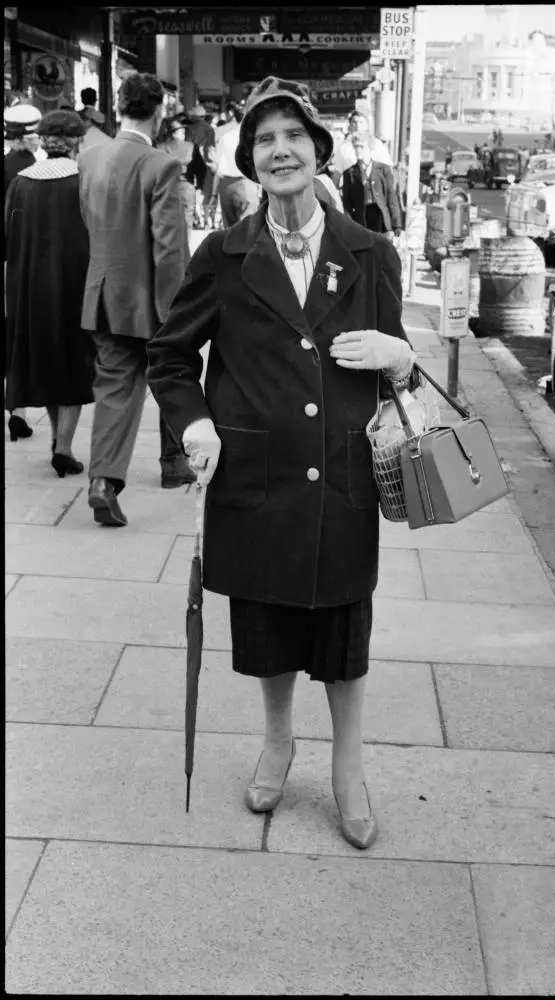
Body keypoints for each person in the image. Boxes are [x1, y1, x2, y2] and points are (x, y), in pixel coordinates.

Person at [146, 75, 418, 851]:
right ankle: (276, 742)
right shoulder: (224, 256)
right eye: (263, 141)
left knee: (342, 631)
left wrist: (398, 356)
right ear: (248, 162)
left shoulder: (369, 253)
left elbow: (405, 370)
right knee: (263, 626)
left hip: (341, 478)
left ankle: (348, 767)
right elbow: (169, 357)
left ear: (319, 150)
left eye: (293, 136)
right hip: (256, 480)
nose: (280, 151)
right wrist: (195, 424)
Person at [78, 72, 194, 527]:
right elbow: (169, 247)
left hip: (101, 291)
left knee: (113, 388)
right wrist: (176, 310)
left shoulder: (90, 158)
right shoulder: (159, 164)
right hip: (146, 300)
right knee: (173, 375)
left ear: (118, 106)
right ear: (160, 111)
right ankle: (175, 463)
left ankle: (102, 480)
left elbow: (89, 222)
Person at [5, 110, 95, 474]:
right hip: (74, 286)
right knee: (73, 362)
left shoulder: (21, 183)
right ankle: (64, 446)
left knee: (45, 361)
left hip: (28, 289)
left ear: (41, 141)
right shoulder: (84, 181)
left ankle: (60, 443)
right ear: (76, 142)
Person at [4, 102, 45, 442]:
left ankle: (16, 409)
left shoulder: (5, 166)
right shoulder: (35, 172)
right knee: (24, 337)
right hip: (26, 265)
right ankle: (17, 409)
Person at [341, 133, 403, 240]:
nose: (358, 150)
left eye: (361, 146)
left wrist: (396, 224)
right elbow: (347, 204)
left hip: (381, 219)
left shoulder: (384, 170)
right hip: (361, 220)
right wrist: (349, 225)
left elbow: (391, 197)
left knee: (382, 252)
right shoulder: (349, 173)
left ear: (370, 148)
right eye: (355, 147)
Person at [211, 100, 261, 228]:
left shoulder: (225, 137)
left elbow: (217, 167)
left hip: (226, 186)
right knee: (247, 229)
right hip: (246, 184)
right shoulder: (254, 138)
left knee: (229, 230)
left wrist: (214, 194)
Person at [157, 117, 196, 228]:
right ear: (173, 134)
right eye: (181, 132)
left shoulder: (160, 147)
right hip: (187, 185)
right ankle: (186, 244)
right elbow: (200, 169)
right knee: (187, 218)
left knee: (168, 218)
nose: (184, 135)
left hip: (167, 186)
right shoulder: (191, 147)